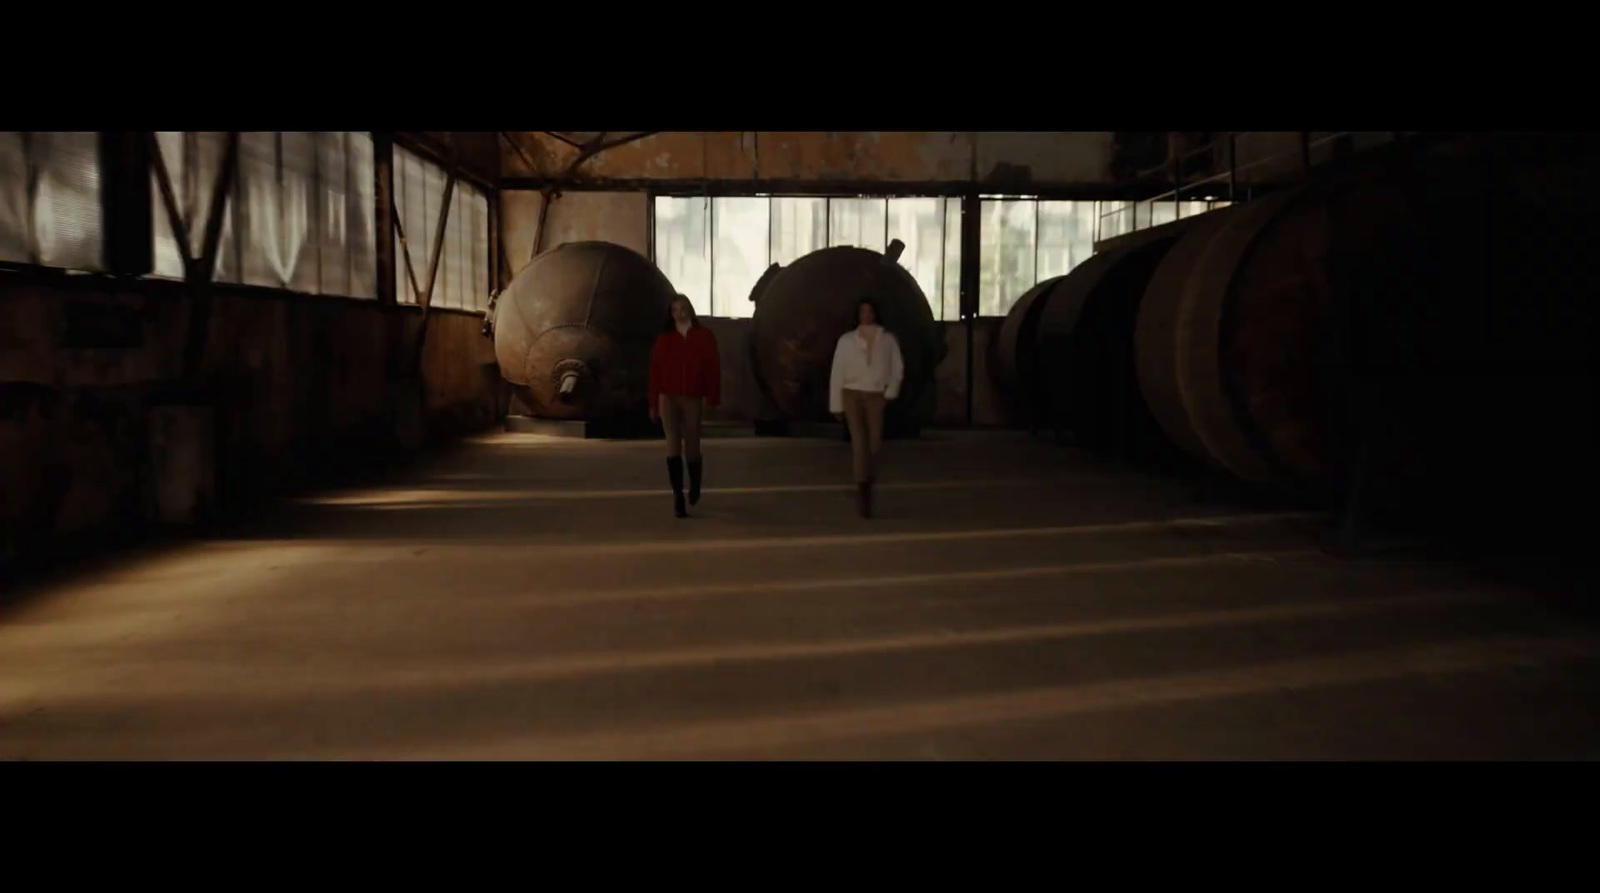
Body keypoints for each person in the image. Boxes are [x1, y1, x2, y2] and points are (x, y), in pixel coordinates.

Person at [829, 297, 904, 519]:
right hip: (851, 393)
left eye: (870, 311)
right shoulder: (846, 341)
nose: (866, 315)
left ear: (876, 314)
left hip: (875, 395)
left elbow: (897, 368)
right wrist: (836, 404)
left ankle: (868, 477)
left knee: (873, 441)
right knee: (858, 440)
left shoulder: (888, 340)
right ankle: (862, 486)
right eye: (862, 311)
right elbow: (837, 372)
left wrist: (890, 392)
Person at [649, 294, 721, 518]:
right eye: (675, 309)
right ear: (670, 314)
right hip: (667, 397)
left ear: (690, 308)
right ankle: (677, 496)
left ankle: (695, 484)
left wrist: (712, 398)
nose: (680, 312)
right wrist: (652, 403)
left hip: (692, 396)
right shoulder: (665, 338)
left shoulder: (704, 337)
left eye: (683, 308)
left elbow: (713, 369)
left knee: (692, 443)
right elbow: (655, 372)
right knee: (672, 443)